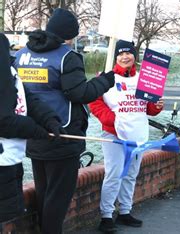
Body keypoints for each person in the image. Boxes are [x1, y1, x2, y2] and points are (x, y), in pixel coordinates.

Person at [14, 9, 115, 233]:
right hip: (63, 134)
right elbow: (79, 93)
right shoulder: (67, 56)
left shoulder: (22, 54)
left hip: (32, 132)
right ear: (70, 35)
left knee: (44, 193)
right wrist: (105, 81)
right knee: (58, 197)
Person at [89, 40, 164, 232]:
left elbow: (148, 108)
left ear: (134, 56)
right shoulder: (105, 78)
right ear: (115, 56)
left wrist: (156, 106)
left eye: (129, 53)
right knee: (114, 174)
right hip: (114, 133)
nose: (125, 57)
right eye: (121, 54)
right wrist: (113, 120)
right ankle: (106, 216)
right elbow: (95, 104)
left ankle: (125, 211)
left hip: (137, 133)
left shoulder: (143, 78)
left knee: (130, 174)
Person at [0, 33, 65, 223]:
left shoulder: (10, 73)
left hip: (10, 159)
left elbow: (29, 99)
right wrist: (37, 131)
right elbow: (3, 121)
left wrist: (50, 120)